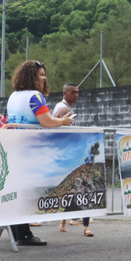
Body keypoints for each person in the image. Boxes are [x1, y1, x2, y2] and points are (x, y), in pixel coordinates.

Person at [6, 60, 73, 246]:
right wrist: (63, 122)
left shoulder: (13, 96)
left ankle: (15, 232)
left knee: (16, 191)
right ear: (31, 77)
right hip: (29, 149)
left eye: (45, 74)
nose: (44, 78)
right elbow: (47, 121)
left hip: (12, 146)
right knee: (26, 192)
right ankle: (25, 234)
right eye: (41, 75)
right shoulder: (35, 96)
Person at [54, 83, 94, 237]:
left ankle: (73, 222)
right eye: (73, 92)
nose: (77, 95)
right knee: (82, 187)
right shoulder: (63, 108)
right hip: (69, 154)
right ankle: (83, 226)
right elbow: (54, 127)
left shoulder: (63, 107)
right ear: (65, 93)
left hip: (71, 153)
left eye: (78, 92)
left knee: (76, 188)